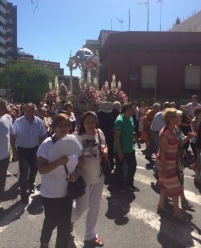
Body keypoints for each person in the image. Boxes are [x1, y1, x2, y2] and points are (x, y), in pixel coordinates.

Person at [37, 113, 82, 248]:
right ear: (54, 127)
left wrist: (76, 173)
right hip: (50, 193)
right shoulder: (46, 145)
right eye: (60, 125)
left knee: (64, 224)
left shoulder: (72, 141)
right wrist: (58, 162)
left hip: (67, 192)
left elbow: (79, 164)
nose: (64, 128)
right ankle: (44, 242)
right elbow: (42, 169)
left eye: (66, 125)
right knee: (51, 221)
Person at [71, 111, 107, 247]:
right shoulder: (76, 136)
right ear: (83, 123)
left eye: (93, 121)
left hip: (98, 175)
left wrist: (105, 150)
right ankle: (67, 220)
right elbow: (72, 156)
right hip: (83, 177)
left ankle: (90, 236)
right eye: (87, 122)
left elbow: (104, 144)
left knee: (95, 207)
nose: (90, 124)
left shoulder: (99, 133)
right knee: (82, 207)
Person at [13, 102, 47, 203]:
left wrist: (42, 148)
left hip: (35, 150)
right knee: (23, 172)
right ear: (23, 111)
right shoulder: (18, 122)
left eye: (30, 110)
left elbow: (43, 135)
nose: (28, 112)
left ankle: (31, 184)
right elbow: (13, 136)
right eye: (26, 110)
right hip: (22, 150)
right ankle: (24, 193)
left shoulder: (38, 121)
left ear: (33, 111)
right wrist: (14, 150)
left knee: (34, 169)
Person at [156, 108, 184, 221]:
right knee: (174, 187)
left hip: (172, 161)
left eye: (176, 116)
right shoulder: (165, 132)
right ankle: (177, 212)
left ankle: (161, 206)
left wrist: (189, 137)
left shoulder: (175, 129)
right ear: (168, 119)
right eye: (174, 117)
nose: (177, 118)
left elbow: (181, 142)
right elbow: (162, 152)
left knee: (164, 185)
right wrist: (163, 168)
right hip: (165, 162)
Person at [114, 102, 139, 192]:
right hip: (121, 149)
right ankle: (120, 187)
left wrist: (137, 141)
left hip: (130, 148)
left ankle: (129, 184)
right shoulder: (120, 120)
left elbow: (133, 131)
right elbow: (116, 137)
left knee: (133, 166)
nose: (134, 110)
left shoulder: (131, 118)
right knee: (120, 168)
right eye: (132, 109)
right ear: (127, 110)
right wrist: (120, 151)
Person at [0, 99, 16, 208]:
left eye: (4, 107)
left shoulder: (7, 118)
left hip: (4, 157)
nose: (3, 109)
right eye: (2, 107)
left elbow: (12, 135)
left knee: (1, 181)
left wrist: (14, 150)